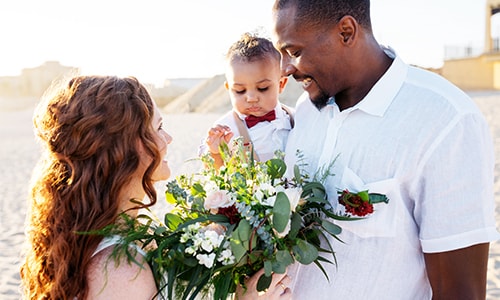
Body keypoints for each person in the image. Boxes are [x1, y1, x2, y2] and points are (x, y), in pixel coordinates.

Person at [270, 0, 500, 299]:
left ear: (346, 32)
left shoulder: (445, 119)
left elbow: (460, 291)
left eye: (294, 52)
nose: (284, 69)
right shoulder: (306, 110)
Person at [20, 75, 173, 299]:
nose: (168, 138)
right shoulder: (119, 272)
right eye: (159, 128)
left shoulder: (94, 235)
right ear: (124, 147)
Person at [201, 32, 293, 168]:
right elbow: (213, 174)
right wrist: (216, 152)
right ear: (229, 88)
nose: (251, 98)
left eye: (263, 88)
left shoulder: (294, 118)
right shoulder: (226, 128)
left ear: (281, 84)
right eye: (240, 90)